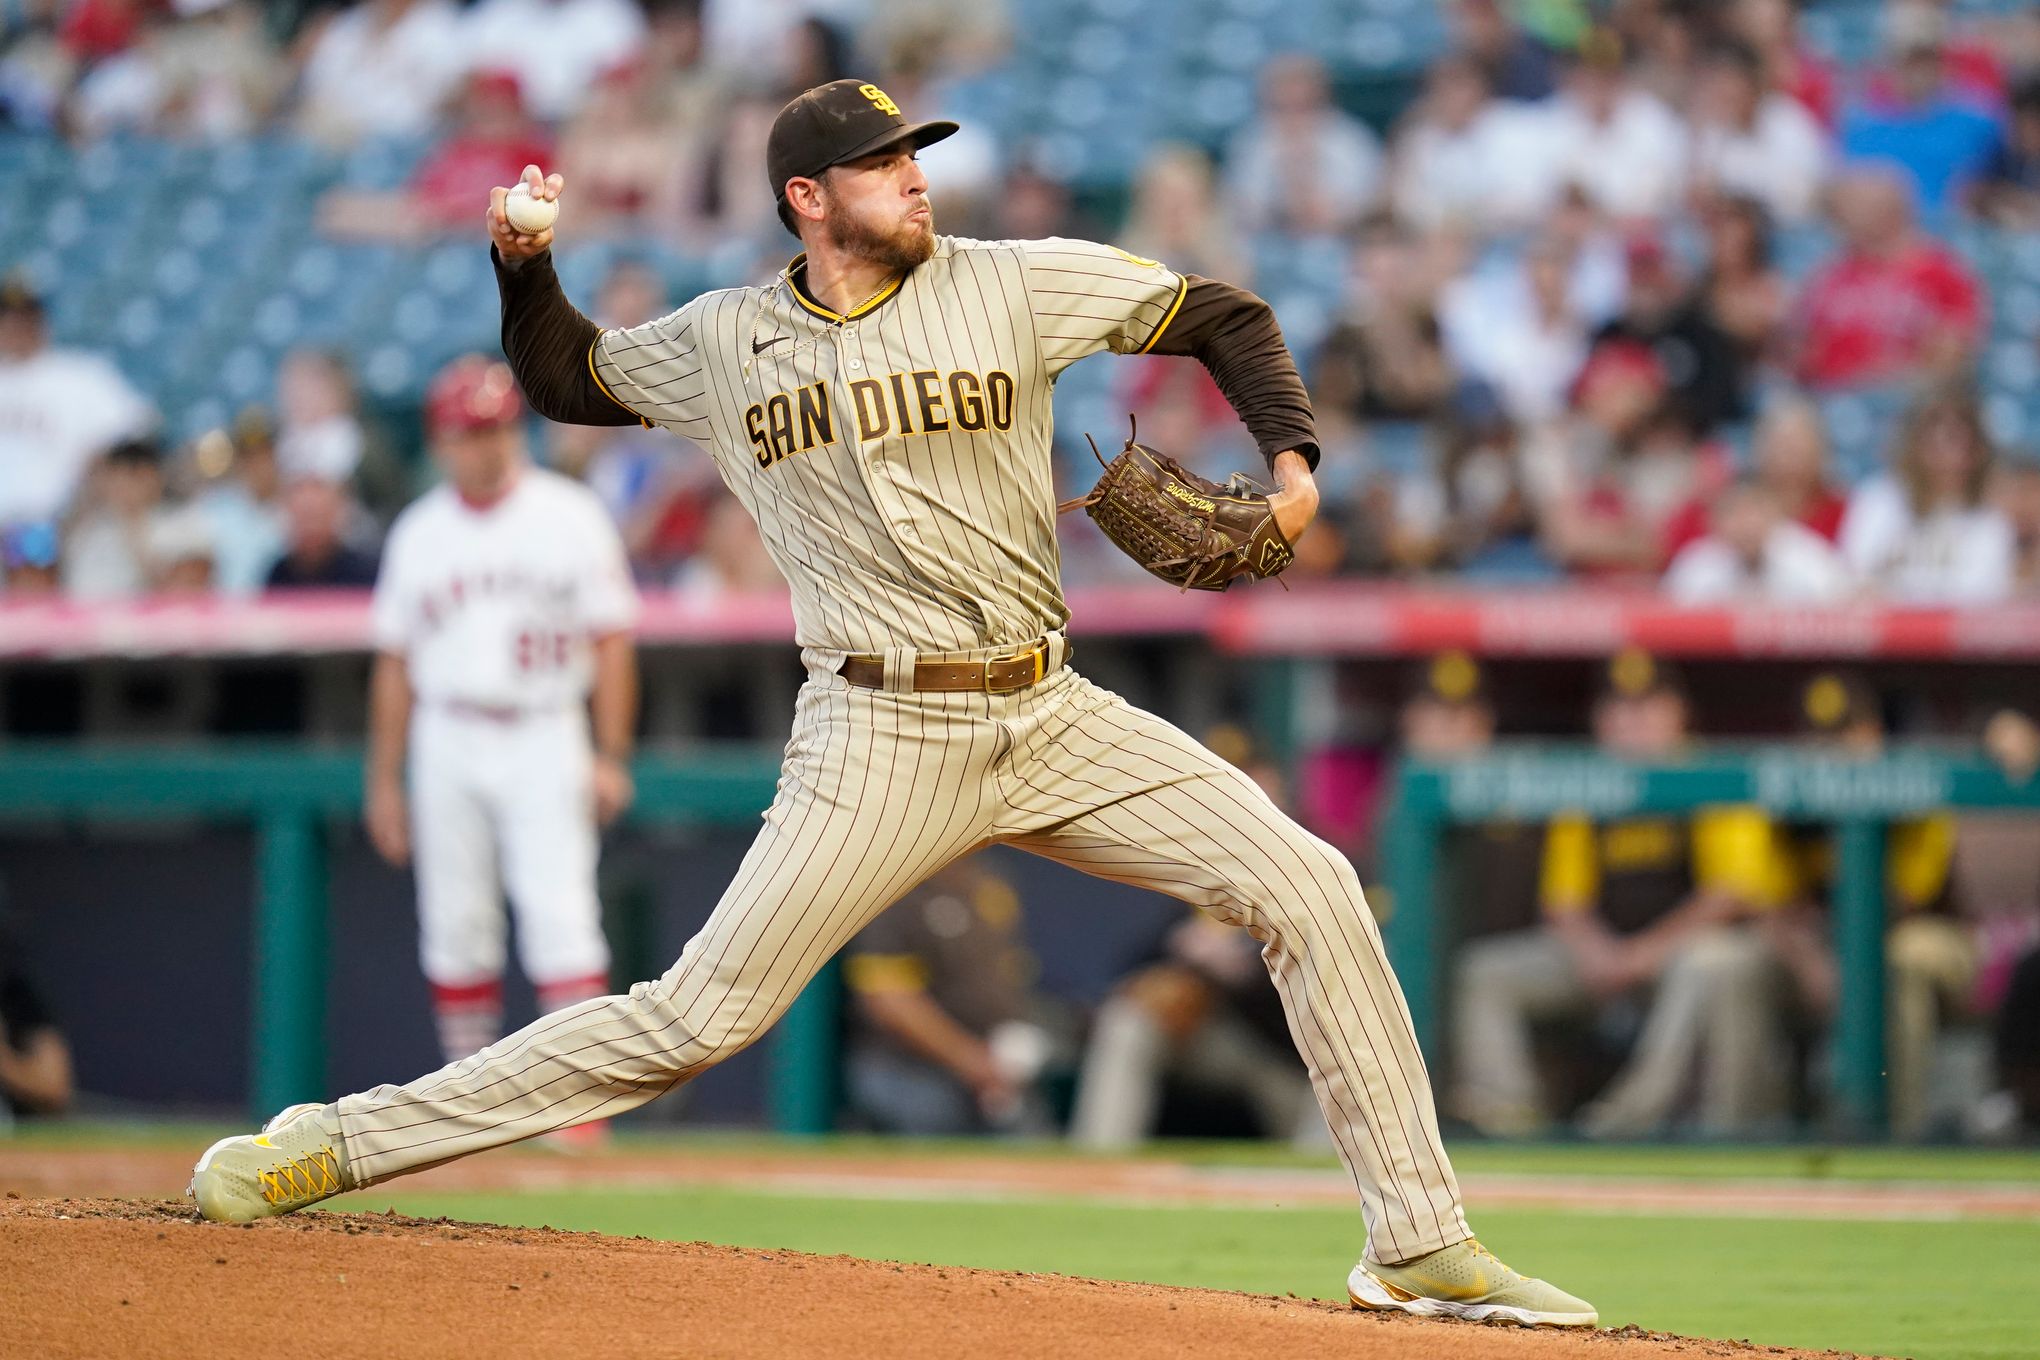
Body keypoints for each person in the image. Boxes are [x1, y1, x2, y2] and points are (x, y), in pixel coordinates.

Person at [190, 77, 1595, 1329]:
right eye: (885, 163)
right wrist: (523, 267)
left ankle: (1418, 1242)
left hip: (1051, 712)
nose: (917, 175)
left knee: (1314, 887)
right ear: (810, 199)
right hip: (876, 731)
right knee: (694, 1022)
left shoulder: (1009, 280)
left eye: (917, 154)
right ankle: (343, 1141)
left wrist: (1291, 466)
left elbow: (1221, 314)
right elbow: (569, 378)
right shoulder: (730, 339)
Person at [356, 356, 641, 1131]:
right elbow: (396, 664)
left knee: (561, 916)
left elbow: (612, 641)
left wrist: (609, 753)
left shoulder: (569, 513)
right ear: (440, 441)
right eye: (468, 432)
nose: (484, 446)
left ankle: (578, 1109)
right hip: (448, 730)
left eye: (495, 428)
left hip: (545, 728)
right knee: (455, 923)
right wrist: (386, 780)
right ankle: (463, 1107)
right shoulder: (420, 531)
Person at [1453, 651, 1794, 1139]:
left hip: (1690, 958)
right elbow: (1564, 900)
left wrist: (1641, 955)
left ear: (1678, 714)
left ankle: (1630, 1117)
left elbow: (1731, 895)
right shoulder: (1591, 782)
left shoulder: (1709, 773)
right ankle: (1511, 1119)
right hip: (1611, 956)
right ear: (1601, 720)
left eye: (1648, 707)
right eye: (1620, 709)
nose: (1633, 722)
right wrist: (1598, 952)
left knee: (1709, 964)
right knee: (1486, 972)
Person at [842, 856, 1055, 1136]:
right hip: (908, 1067)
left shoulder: (991, 881)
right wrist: (970, 1061)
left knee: (1032, 1143)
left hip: (993, 1063)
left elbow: (1008, 973)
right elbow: (888, 1001)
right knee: (933, 1121)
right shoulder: (895, 888)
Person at [1793, 167, 1983, 391]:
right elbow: (1802, 345)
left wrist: (1883, 385)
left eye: (1854, 206)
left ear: (1890, 210)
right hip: (1827, 395)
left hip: (1902, 400)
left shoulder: (1942, 273)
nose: (1840, 219)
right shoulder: (1830, 273)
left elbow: (1951, 355)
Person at [0, 276, 156, 540]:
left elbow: (139, 436)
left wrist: (92, 487)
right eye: (10, 318)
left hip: (59, 528)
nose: (18, 326)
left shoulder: (80, 375)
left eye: (27, 316)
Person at [1839, 384, 2014, 604]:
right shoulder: (1878, 500)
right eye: (1931, 438)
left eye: (1953, 439)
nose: (1940, 452)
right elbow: (1852, 579)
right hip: (1883, 634)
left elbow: (1980, 600)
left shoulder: (1989, 521)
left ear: (1975, 451)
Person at [263, 476, 379, 591]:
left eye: (317, 517)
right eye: (304, 519)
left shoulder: (364, 573)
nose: (311, 529)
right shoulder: (278, 575)